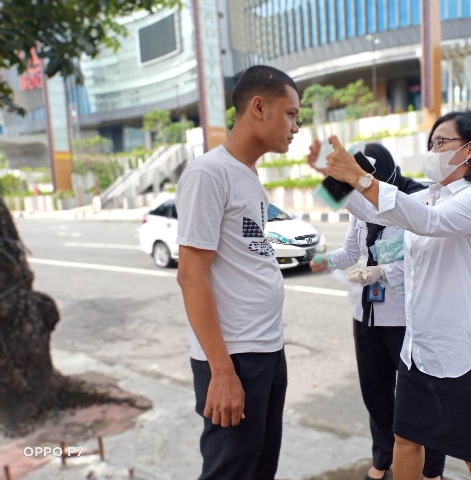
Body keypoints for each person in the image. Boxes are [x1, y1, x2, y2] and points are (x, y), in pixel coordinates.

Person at [323, 110, 471, 480]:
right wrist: (334, 180)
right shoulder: (426, 197)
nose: (433, 150)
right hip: (419, 350)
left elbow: (429, 224)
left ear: (470, 149)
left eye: (442, 142)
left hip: (468, 352)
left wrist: (358, 177)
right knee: (406, 439)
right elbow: (374, 211)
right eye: (432, 143)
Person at [175, 65, 301, 480]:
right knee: (231, 471)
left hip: (265, 350)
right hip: (236, 359)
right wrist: (222, 372)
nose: (295, 127)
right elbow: (192, 276)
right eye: (291, 114)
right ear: (259, 107)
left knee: (259, 468)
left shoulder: (246, 174)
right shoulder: (209, 172)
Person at [308, 142, 446, 480]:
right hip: (367, 313)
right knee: (375, 390)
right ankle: (383, 457)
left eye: (361, 179)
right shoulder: (361, 206)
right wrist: (326, 260)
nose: (358, 187)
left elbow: (422, 259)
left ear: (376, 173)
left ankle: (431, 467)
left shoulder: (418, 199)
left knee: (419, 395)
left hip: (405, 316)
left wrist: (383, 272)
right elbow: (352, 250)